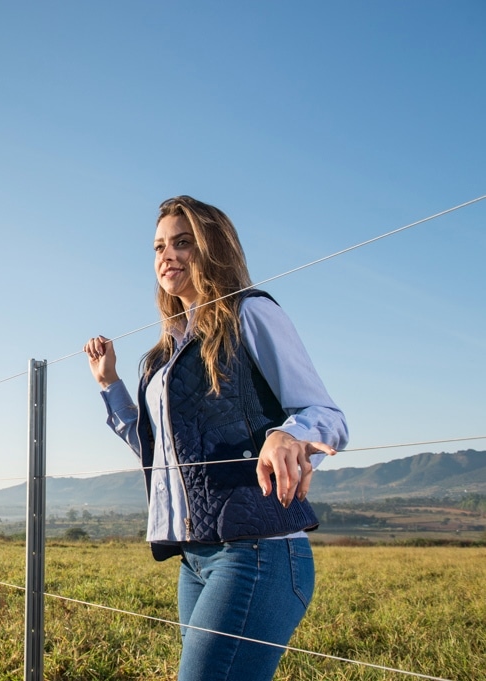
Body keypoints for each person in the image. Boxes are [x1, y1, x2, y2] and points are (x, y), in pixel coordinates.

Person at [84, 195, 348, 681]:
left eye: (183, 242)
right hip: (195, 559)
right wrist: (110, 384)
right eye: (160, 245)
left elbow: (324, 414)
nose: (167, 254)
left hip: (258, 551)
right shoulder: (162, 356)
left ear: (213, 248)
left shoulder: (251, 314)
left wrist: (288, 436)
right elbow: (157, 453)